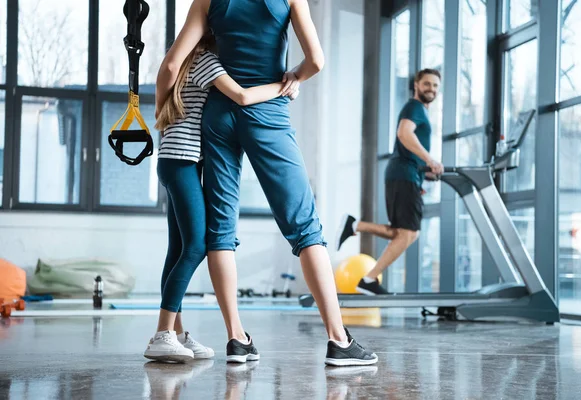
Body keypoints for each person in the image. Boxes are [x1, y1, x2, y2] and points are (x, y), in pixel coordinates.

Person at [156, 0, 377, 367]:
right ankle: (339, 340)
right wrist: (292, 79)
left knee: (220, 231)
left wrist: (161, 113)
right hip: (266, 111)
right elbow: (316, 61)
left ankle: (237, 338)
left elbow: (173, 63)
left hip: (219, 113)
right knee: (305, 226)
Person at [145, 31, 296, 363]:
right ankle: (162, 334)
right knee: (197, 245)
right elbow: (241, 96)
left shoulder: (184, 62)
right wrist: (286, 85)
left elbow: (166, 80)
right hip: (183, 163)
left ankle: (177, 335)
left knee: (178, 249)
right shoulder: (204, 60)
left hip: (174, 162)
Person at [337, 69, 443, 295]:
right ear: (416, 85)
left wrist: (426, 172)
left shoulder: (419, 110)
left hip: (407, 174)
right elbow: (404, 134)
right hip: (403, 174)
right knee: (408, 233)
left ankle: (356, 226)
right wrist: (430, 160)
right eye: (427, 84)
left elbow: (408, 146)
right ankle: (368, 278)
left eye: (435, 85)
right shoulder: (414, 107)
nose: (431, 89)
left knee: (403, 232)